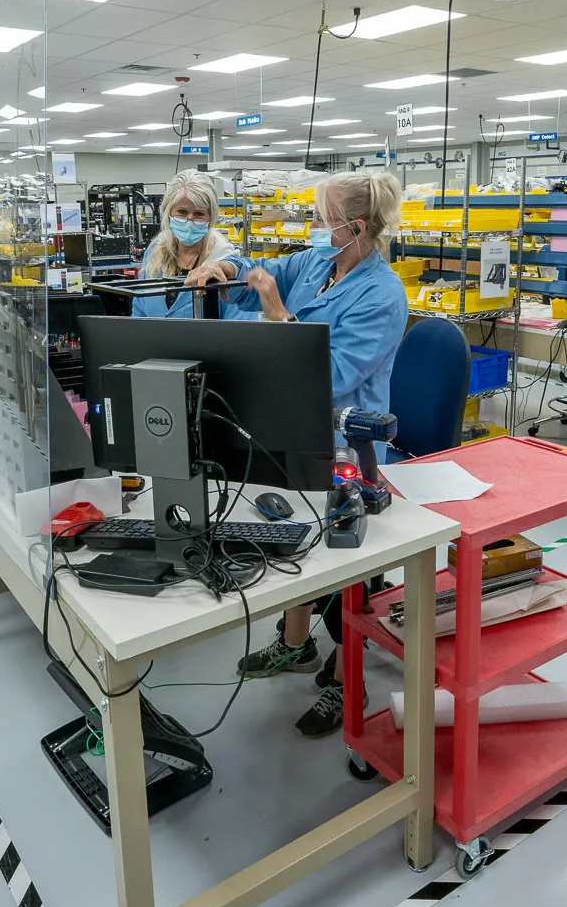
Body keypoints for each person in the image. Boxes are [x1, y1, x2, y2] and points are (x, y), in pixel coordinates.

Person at [186, 170, 408, 736]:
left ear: (354, 228)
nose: (310, 228)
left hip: (346, 445)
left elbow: (330, 378)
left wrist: (279, 316)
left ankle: (343, 675)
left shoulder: (382, 295)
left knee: (342, 562)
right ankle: (295, 646)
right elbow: (268, 269)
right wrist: (228, 268)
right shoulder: (318, 263)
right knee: (294, 542)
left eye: (319, 219)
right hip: (289, 426)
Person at [133, 171, 252, 320]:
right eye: (182, 212)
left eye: (199, 214)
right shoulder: (155, 250)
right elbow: (139, 309)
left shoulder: (225, 264)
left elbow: (241, 330)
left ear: (211, 217)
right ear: (168, 212)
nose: (189, 220)